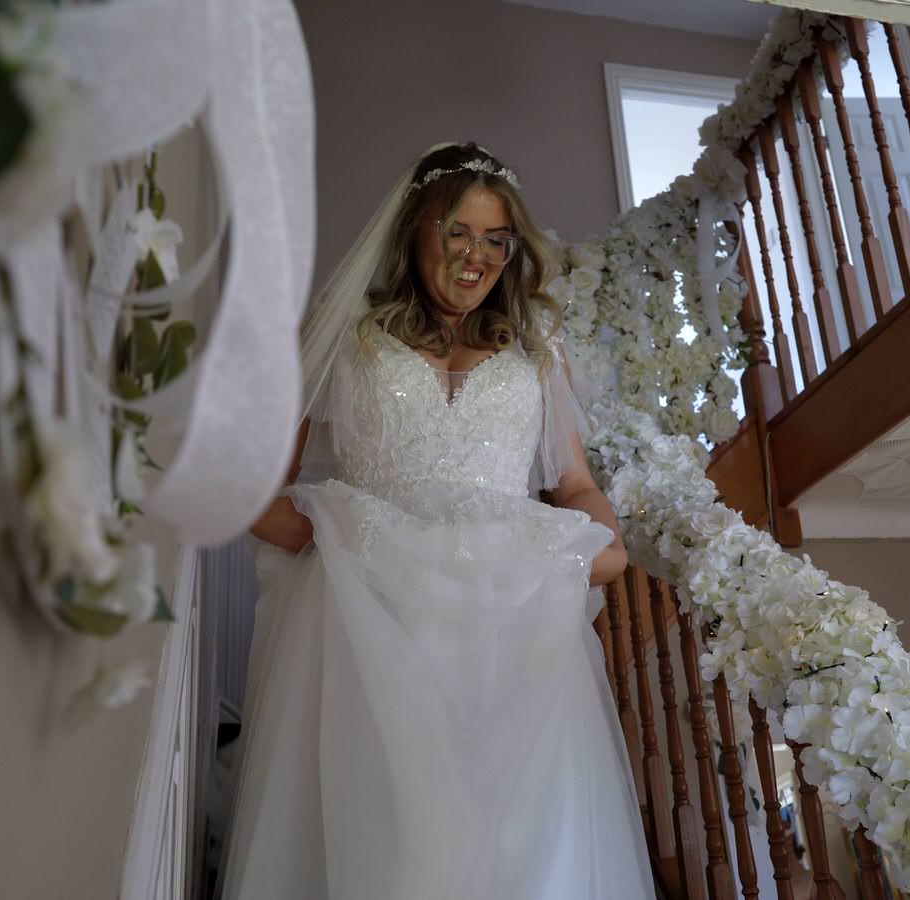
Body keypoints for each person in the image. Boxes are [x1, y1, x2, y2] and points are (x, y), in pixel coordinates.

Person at [219, 143, 651, 899]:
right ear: (416, 228)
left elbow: (575, 480)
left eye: (496, 239)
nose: (477, 257)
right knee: (381, 832)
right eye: (458, 233)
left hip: (511, 624)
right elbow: (263, 477)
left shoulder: (535, 345)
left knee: (518, 836)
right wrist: (333, 535)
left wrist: (601, 544)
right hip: (368, 623)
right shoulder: (344, 331)